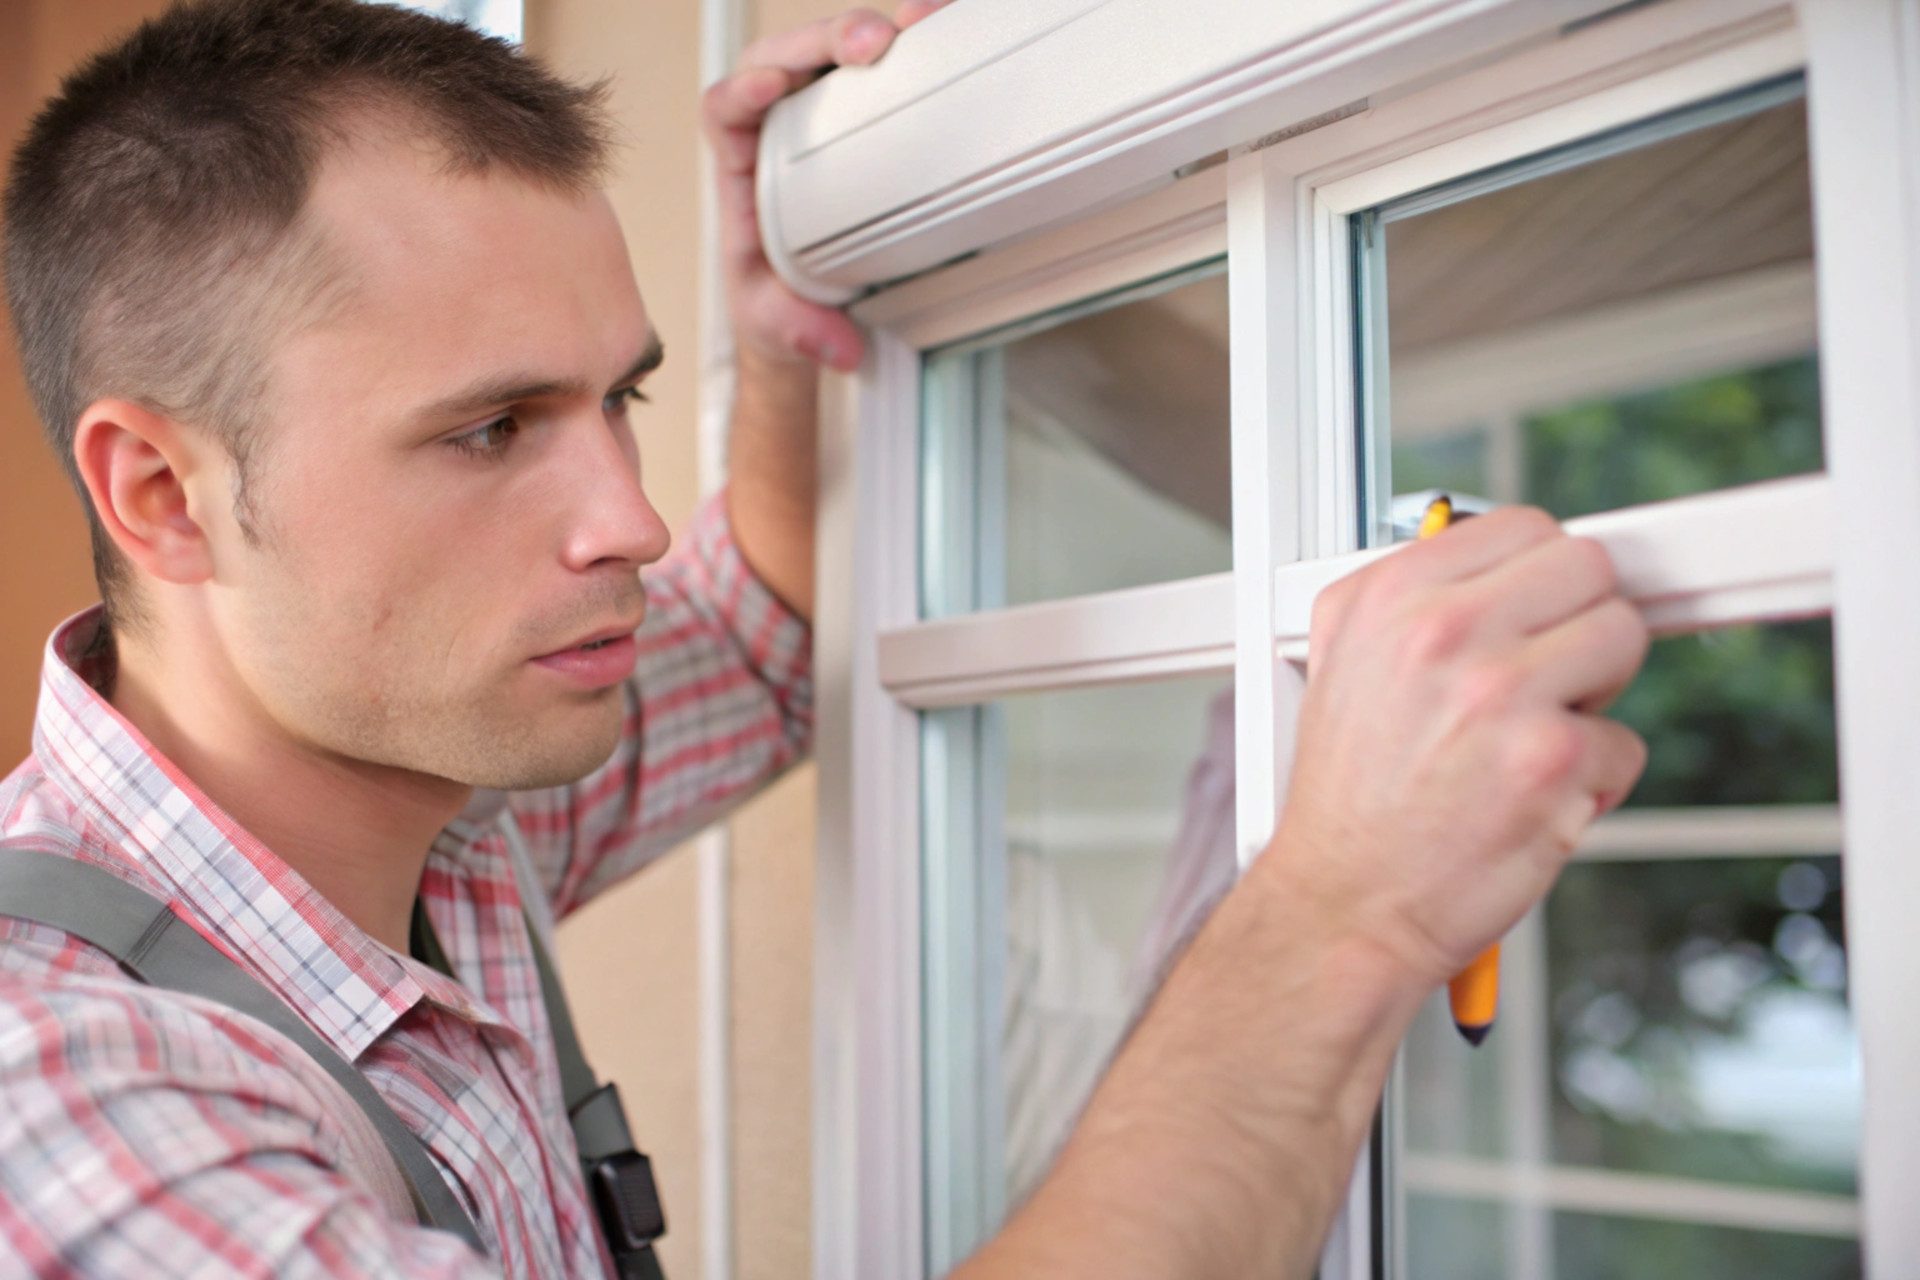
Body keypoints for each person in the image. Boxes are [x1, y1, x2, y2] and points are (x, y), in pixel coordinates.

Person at [0, 1, 1650, 1276]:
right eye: (495, 428)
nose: (630, 519)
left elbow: (762, 632)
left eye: (619, 397)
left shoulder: (415, 816)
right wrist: (1343, 913)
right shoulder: (65, 1102)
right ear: (162, 491)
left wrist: (791, 318)